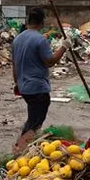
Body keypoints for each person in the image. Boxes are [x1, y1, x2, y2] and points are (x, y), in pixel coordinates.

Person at [11, 8, 71, 154]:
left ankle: (22, 147)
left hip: (24, 86)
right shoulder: (40, 39)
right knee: (35, 121)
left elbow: (14, 65)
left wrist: (17, 83)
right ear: (41, 22)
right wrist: (64, 47)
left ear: (28, 21)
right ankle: (20, 149)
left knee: (32, 118)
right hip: (37, 87)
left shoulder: (17, 39)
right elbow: (49, 61)